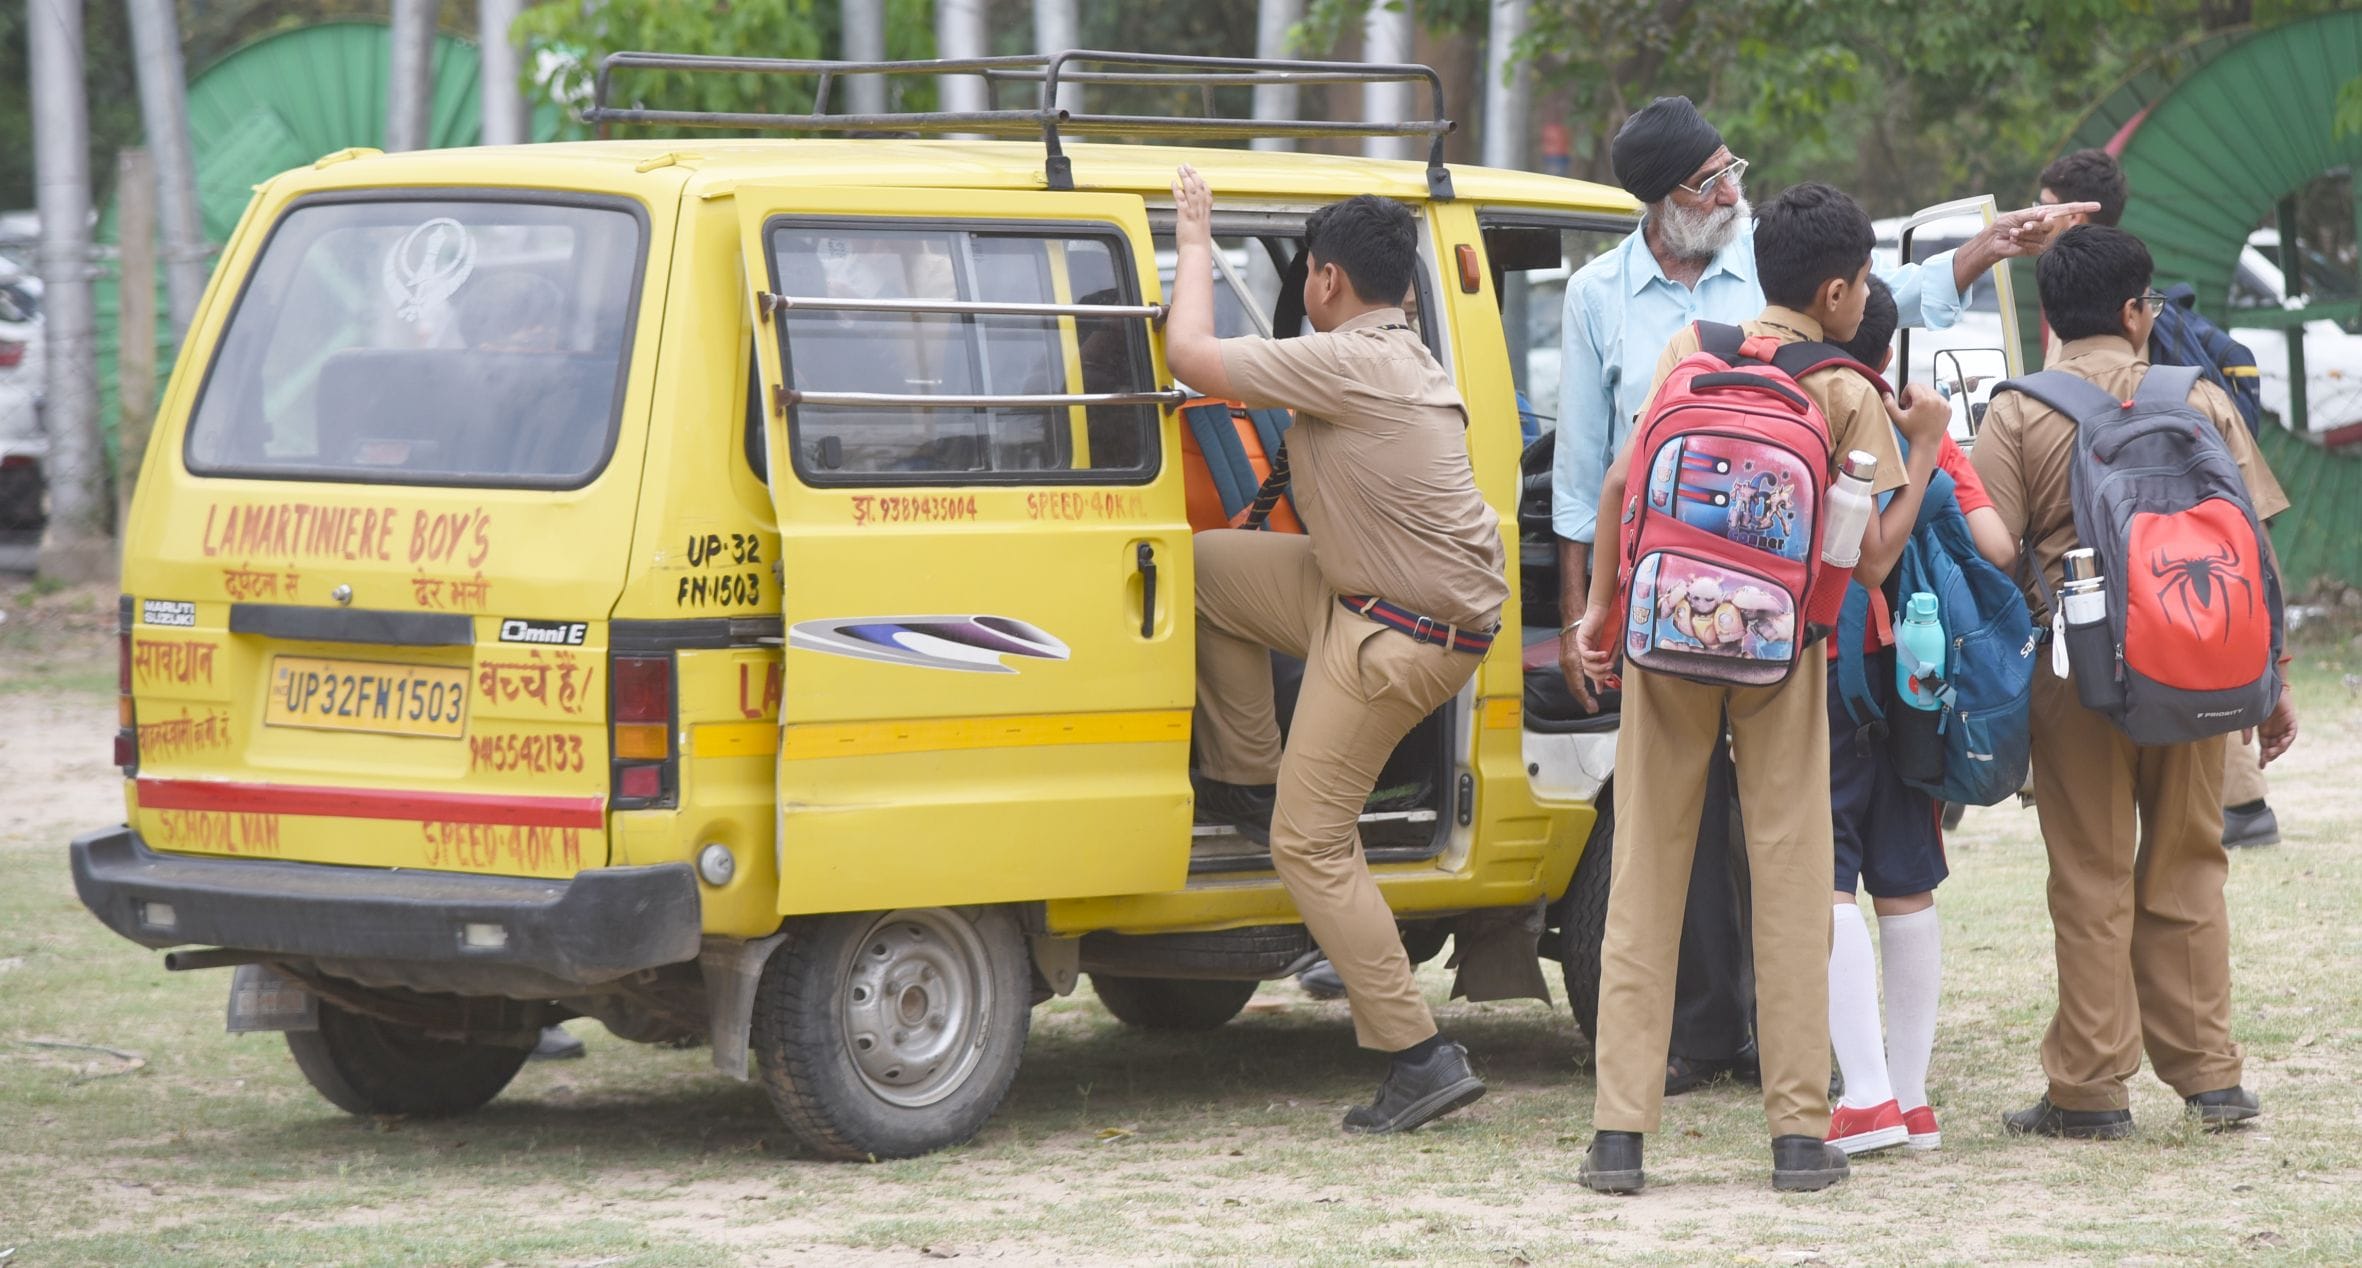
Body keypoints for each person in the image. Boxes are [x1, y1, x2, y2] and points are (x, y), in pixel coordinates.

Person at [1552, 95, 2094, 1096]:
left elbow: (1871, 286)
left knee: (1704, 853)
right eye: (1715, 179)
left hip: (1693, 613)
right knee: (1778, 848)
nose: (1735, 189)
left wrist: (1980, 249)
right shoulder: (1599, 297)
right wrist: (1582, 604)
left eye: (1734, 171)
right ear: (1666, 201)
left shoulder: (1740, 290)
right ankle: (1795, 1091)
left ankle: (1671, 1097)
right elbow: (1586, 475)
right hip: (1785, 628)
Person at [1571, 182, 1953, 1193]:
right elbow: (1867, 558)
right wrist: (1918, 447)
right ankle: (1794, 1136)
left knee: (1648, 874)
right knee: (1790, 883)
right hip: (1784, 658)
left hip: (1662, 642)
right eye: (1863, 281)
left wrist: (1600, 607)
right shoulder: (1846, 390)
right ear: (1836, 293)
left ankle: (1619, 1135)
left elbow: (1621, 483)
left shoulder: (1689, 351)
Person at [1163, 166, 1506, 1134]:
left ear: (1322, 281)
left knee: (1307, 841)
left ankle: (1417, 1052)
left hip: (1399, 630)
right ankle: (1248, 768)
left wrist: (1196, 236)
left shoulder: (1347, 359)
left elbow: (1188, 350)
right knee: (1203, 569)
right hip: (1364, 584)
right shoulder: (1393, 348)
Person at [1970, 224, 2299, 1139]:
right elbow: (2251, 547)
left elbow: (1988, 553)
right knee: (2191, 859)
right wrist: (2270, 677)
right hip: (2195, 663)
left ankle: (2089, 1089)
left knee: (2091, 876)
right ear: (2133, 311)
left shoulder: (2017, 410)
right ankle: (2211, 1078)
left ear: (2050, 316)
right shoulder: (2195, 397)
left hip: (2074, 676)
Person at [2033, 148, 2284, 849]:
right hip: (2183, 596)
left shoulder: (2096, 326)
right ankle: (2242, 805)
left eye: (2045, 203)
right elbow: (2251, 523)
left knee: (2097, 871)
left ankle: (2245, 803)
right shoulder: (2104, 301)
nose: (2033, 217)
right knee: (2189, 865)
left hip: (2106, 613)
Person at [1818, 277, 2017, 1156]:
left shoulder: (1810, 411)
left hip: (1827, 672)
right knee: (1906, 879)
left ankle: (1864, 1099)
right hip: (1915, 683)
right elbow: (1997, 548)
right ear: (1890, 357)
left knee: (1823, 878)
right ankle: (1912, 1097)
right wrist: (1934, 449)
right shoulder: (1921, 432)